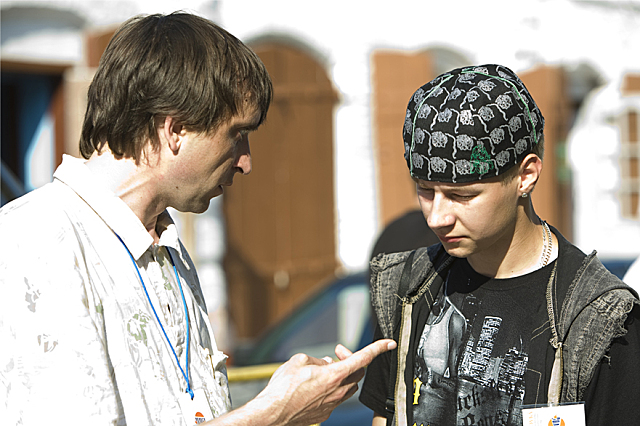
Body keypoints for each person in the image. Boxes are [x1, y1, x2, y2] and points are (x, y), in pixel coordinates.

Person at [0, 12, 395, 425]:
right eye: (236, 134)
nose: (245, 162)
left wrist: (281, 401)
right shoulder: (35, 244)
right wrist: (275, 413)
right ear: (174, 130)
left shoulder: (166, 248)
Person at [359, 64, 640, 426]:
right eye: (425, 191)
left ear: (526, 175)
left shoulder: (595, 316)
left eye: (462, 195)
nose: (436, 217)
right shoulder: (408, 289)